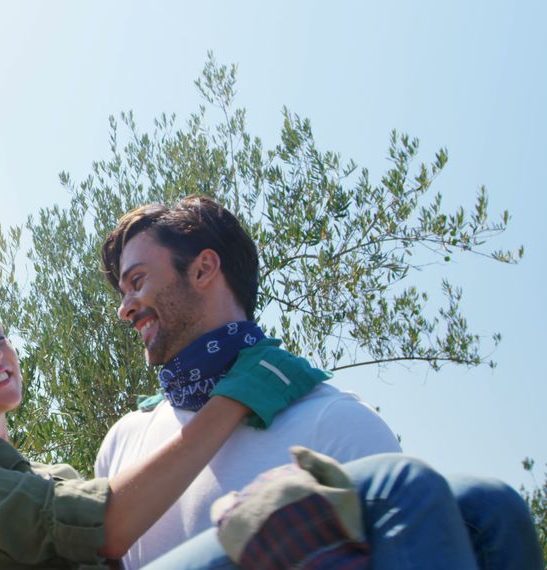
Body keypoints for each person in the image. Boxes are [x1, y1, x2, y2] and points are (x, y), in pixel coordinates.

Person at [0, 276, 538, 569]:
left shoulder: (45, 474)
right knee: (398, 486)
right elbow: (103, 530)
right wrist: (236, 398)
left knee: (490, 504)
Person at [96, 195, 540, 569]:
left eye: (137, 281)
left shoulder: (334, 420)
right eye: (123, 292)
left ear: (203, 269)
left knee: (491, 505)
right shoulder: (124, 441)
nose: (125, 308)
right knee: (409, 484)